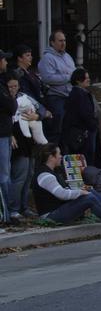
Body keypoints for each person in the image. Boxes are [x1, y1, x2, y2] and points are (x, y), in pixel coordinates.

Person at [31, 143, 101, 234]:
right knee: (89, 198)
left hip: (58, 211)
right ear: (51, 157)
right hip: (50, 216)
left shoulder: (50, 172)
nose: (61, 156)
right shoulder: (45, 175)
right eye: (59, 154)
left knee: (89, 191)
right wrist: (80, 192)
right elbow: (62, 194)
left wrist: (82, 191)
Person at [7, 74, 40, 220]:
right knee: (19, 176)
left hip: (28, 141)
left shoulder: (24, 97)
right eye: (10, 86)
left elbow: (39, 111)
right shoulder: (6, 101)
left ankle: (24, 206)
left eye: (15, 86)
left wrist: (36, 117)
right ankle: (14, 209)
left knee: (28, 176)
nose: (13, 89)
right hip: (17, 143)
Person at [37, 30, 75, 141]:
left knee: (69, 129)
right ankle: (52, 153)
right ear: (52, 43)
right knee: (57, 129)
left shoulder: (67, 56)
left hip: (69, 97)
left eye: (64, 40)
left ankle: (65, 154)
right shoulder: (47, 58)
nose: (63, 43)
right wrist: (69, 77)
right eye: (60, 41)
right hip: (56, 98)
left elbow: (74, 72)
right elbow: (48, 78)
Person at [61, 68, 101, 166]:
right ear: (78, 80)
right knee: (86, 159)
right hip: (84, 133)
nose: (88, 80)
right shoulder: (80, 95)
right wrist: (94, 125)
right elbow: (85, 114)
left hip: (79, 132)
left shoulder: (76, 93)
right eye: (86, 78)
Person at [11, 45, 51, 124]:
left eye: (31, 55)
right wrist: (42, 111)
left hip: (39, 107)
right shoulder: (18, 75)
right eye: (27, 55)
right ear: (19, 58)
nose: (31, 57)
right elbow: (27, 95)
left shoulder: (30, 72)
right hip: (30, 111)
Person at [0, 67, 16, 225]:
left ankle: (9, 212)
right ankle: (7, 214)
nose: (6, 62)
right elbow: (11, 107)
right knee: (4, 175)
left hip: (5, 134)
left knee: (6, 174)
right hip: (1, 135)